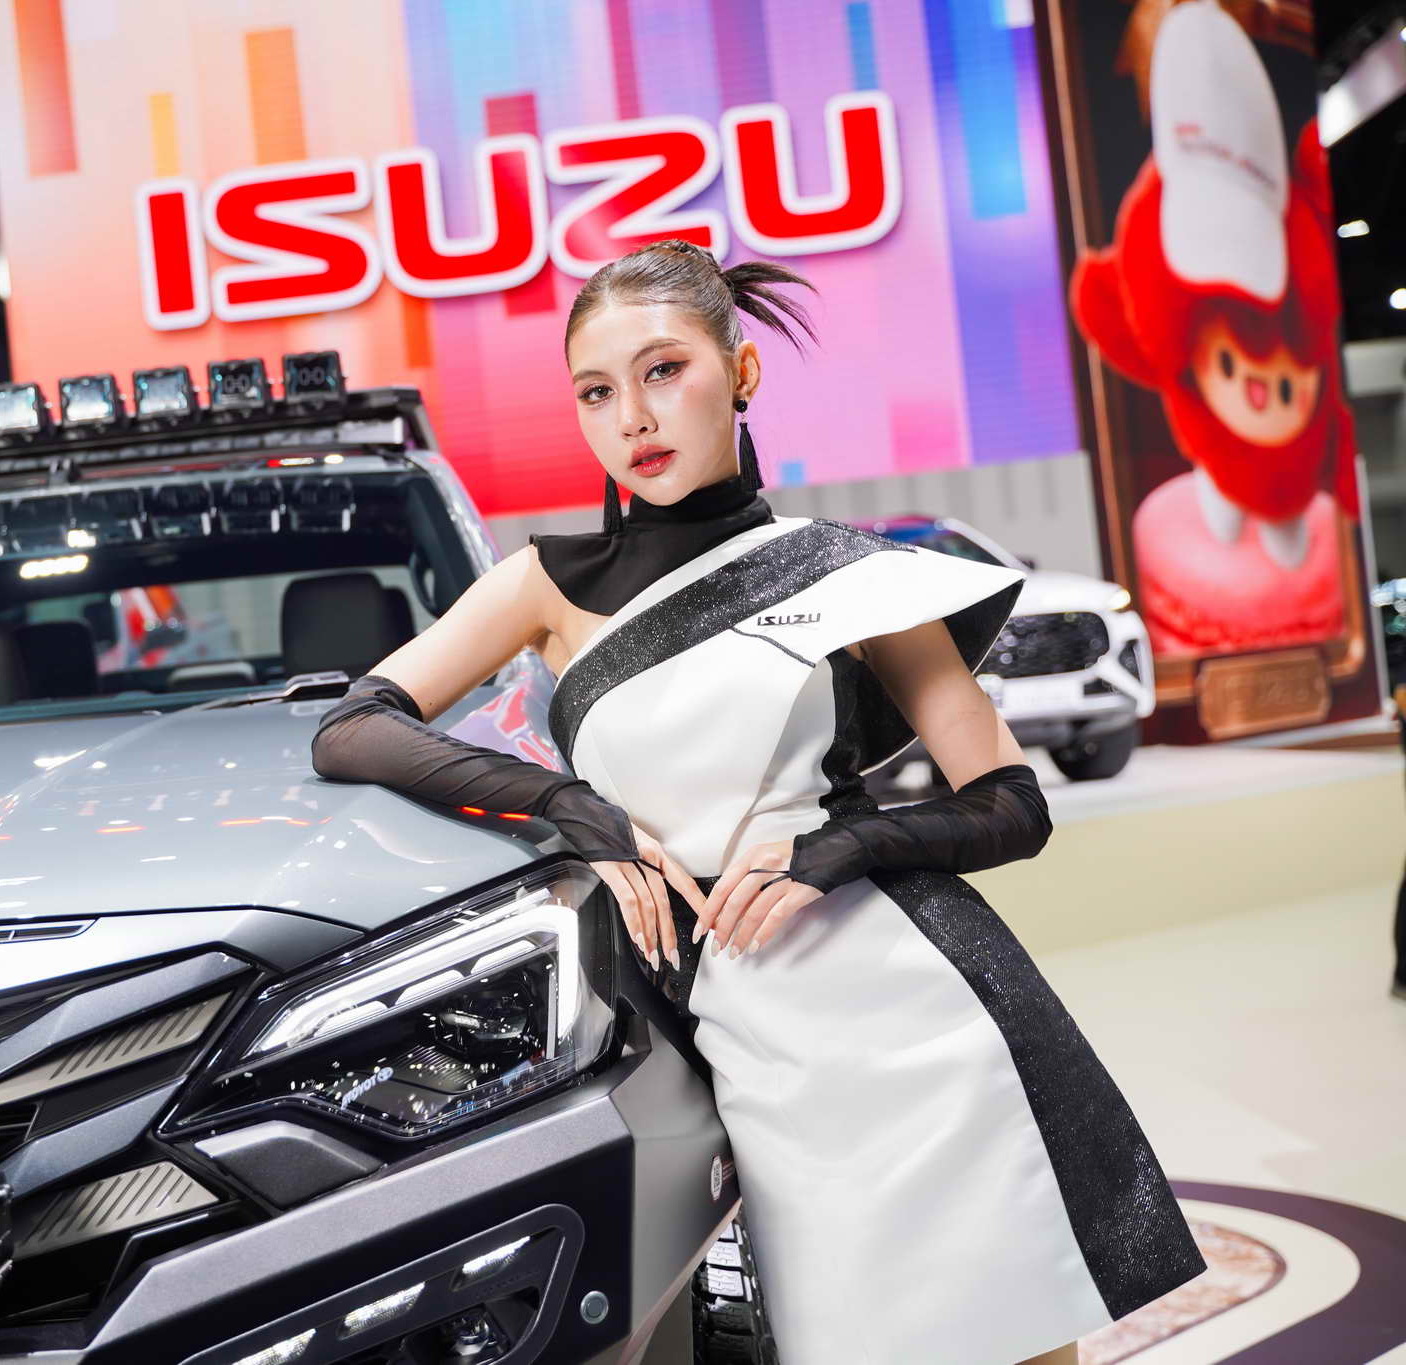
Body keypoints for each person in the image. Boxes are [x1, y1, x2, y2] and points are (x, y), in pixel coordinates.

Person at [310, 239, 1206, 1364]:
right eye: (596, 391)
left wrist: (838, 848)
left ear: (741, 373)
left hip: (924, 1011)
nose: (633, 417)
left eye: (663, 370)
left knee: (1021, 1340)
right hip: (747, 1039)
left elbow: (1012, 804)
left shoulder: (847, 572)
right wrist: (567, 807)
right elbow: (354, 727)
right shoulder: (544, 584)